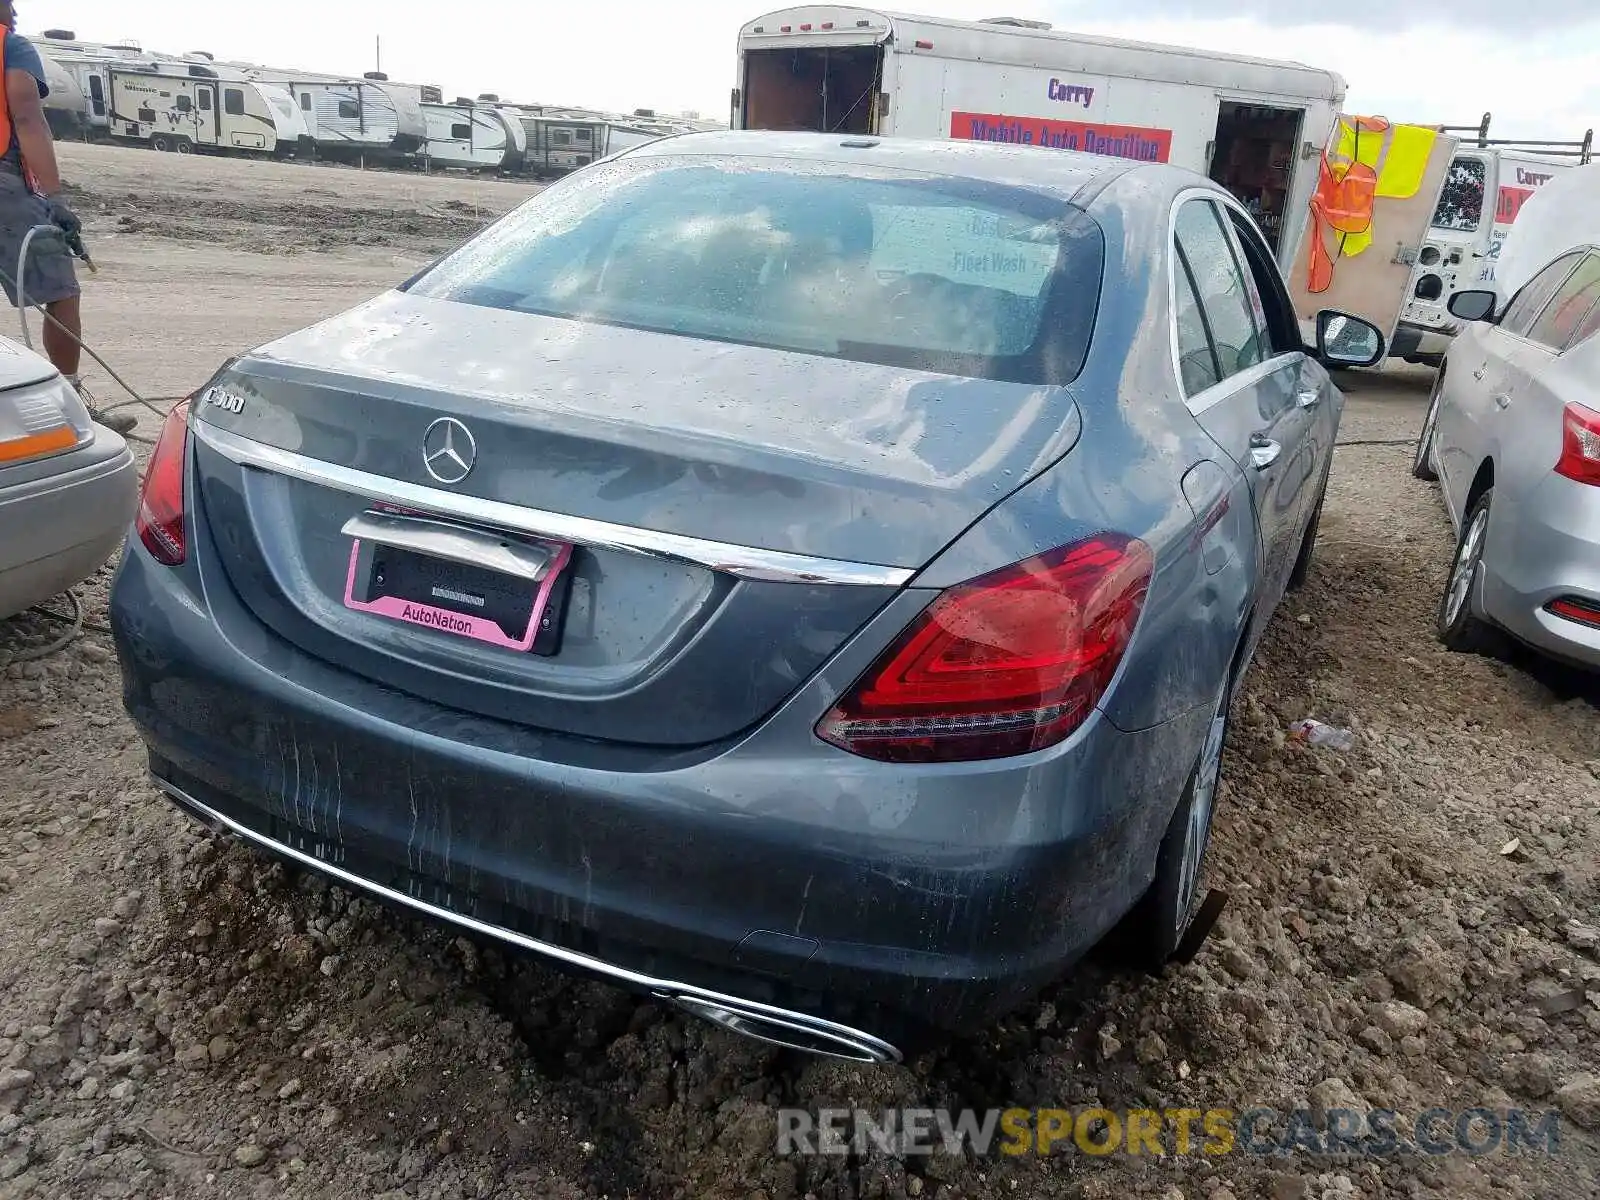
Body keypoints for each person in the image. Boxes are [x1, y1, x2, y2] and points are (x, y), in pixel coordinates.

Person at [0, 4, 136, 434]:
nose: (15, 9)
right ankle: (69, 403)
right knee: (60, 291)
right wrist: (55, 197)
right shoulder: (10, 45)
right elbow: (25, 116)